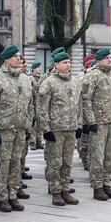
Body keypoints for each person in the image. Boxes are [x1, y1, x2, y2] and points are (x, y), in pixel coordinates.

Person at [0, 45, 33, 213]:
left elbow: (30, 105)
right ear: (6, 59)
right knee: (4, 164)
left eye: (19, 57)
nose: (19, 59)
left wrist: (28, 125)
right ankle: (3, 198)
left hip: (20, 128)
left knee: (16, 163)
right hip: (4, 129)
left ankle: (13, 194)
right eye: (15, 57)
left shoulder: (25, 79)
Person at [38, 52, 81, 206]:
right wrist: (46, 129)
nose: (68, 65)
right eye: (64, 62)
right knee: (54, 162)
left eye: (69, 62)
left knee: (67, 162)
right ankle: (56, 191)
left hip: (71, 128)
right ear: (56, 65)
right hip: (55, 129)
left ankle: (65, 189)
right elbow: (42, 108)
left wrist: (79, 125)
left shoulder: (75, 82)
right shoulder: (49, 83)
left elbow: (79, 105)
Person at [82, 48, 111, 201]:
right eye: (106, 58)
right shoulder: (92, 76)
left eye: (110, 57)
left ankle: (107, 184)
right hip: (99, 122)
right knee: (97, 156)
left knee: (110, 155)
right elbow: (86, 99)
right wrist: (90, 121)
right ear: (98, 60)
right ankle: (97, 187)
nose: (109, 60)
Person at [30, 62, 44, 150]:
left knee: (40, 123)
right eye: (38, 67)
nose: (40, 69)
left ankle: (39, 140)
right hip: (33, 103)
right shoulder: (30, 78)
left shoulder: (42, 78)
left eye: (40, 67)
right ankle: (32, 141)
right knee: (33, 123)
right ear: (33, 69)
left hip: (41, 103)